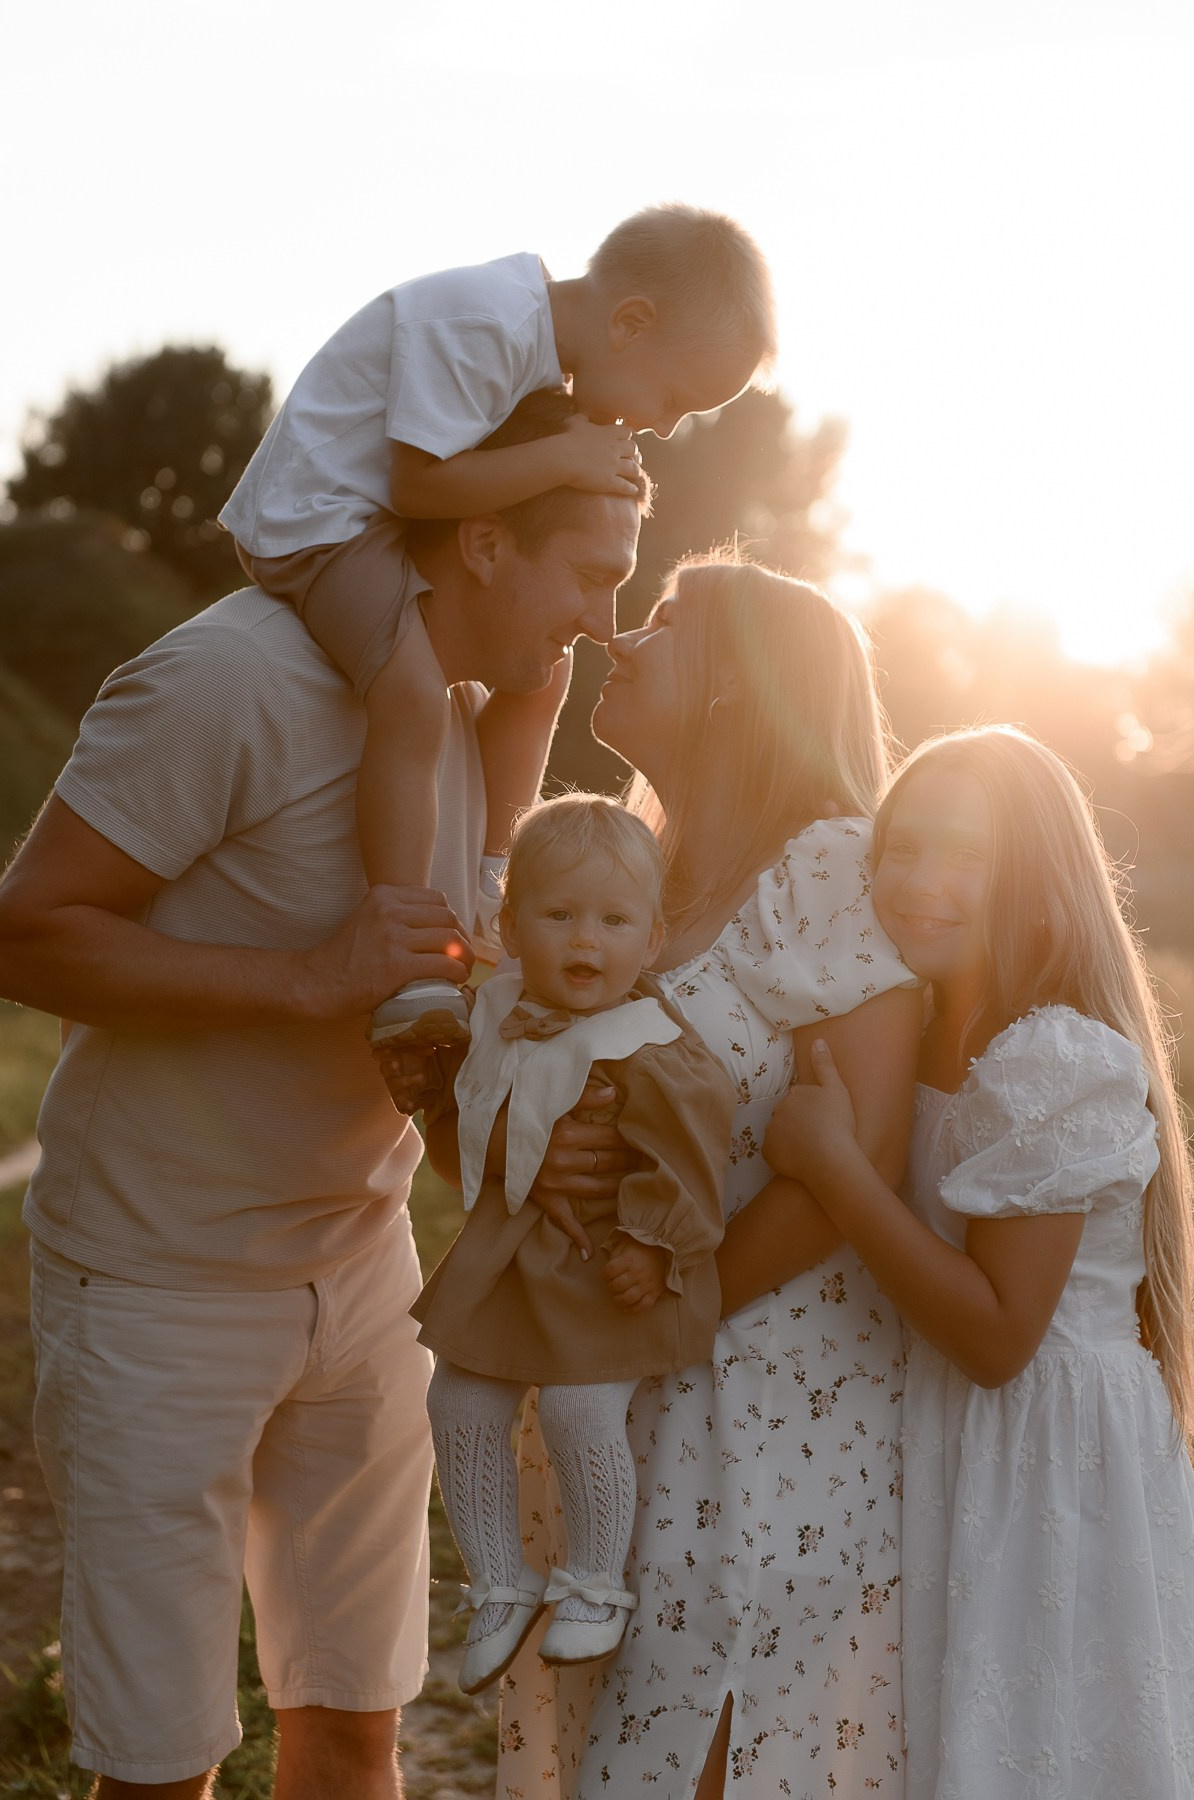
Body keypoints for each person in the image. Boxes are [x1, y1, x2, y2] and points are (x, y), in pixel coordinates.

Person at [0, 393, 646, 1800]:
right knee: (162, 1767)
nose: (603, 619)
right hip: (159, 1284)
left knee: (354, 1724)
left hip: (361, 1277)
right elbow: (23, 931)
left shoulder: (475, 721)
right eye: (591, 575)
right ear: (479, 544)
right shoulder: (232, 679)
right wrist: (308, 979)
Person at [491, 555, 924, 1800]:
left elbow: (861, 1153)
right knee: (606, 1730)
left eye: (667, 624)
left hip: (759, 1406)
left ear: (740, 690)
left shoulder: (829, 868)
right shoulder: (635, 869)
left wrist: (663, 1318)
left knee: (705, 1747)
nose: (623, 636)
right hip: (610, 1371)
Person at [219, 204, 776, 1045]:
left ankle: (488, 878)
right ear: (631, 322)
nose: (661, 425)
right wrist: (565, 457)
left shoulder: (540, 359)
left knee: (542, 669)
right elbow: (417, 486)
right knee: (409, 687)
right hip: (321, 523)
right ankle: (401, 934)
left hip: (380, 522)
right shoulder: (480, 321)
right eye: (672, 398)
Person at [765, 725, 1194, 1797]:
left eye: (961, 856)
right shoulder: (905, 1025)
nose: (915, 881)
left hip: (1042, 1448)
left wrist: (833, 1168)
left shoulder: (1051, 1053)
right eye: (900, 848)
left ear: (1038, 886)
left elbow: (1001, 1337)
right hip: (944, 1427)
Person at [411, 793, 735, 1696]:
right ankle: (499, 1585)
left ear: (653, 936)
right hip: (510, 1254)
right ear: (511, 928)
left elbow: (687, 1154)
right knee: (460, 1400)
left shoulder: (649, 1042)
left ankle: (595, 1582)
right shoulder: (494, 1010)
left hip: (602, 1260)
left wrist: (656, 1242)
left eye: (613, 920)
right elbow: (462, 1108)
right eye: (558, 916)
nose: (584, 941)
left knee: (578, 1412)